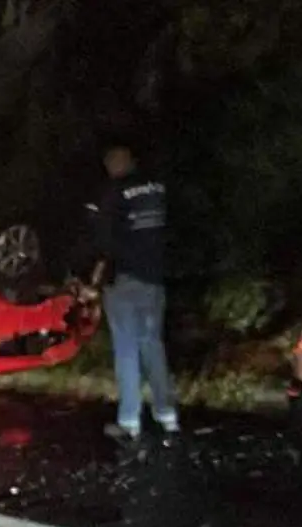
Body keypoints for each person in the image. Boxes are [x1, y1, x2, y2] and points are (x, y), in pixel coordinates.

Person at [89, 141, 179, 442]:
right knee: (153, 344)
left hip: (125, 281)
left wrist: (95, 283)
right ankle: (167, 415)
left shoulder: (114, 194)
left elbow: (104, 244)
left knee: (126, 351)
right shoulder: (157, 189)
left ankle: (129, 421)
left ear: (113, 166)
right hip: (155, 278)